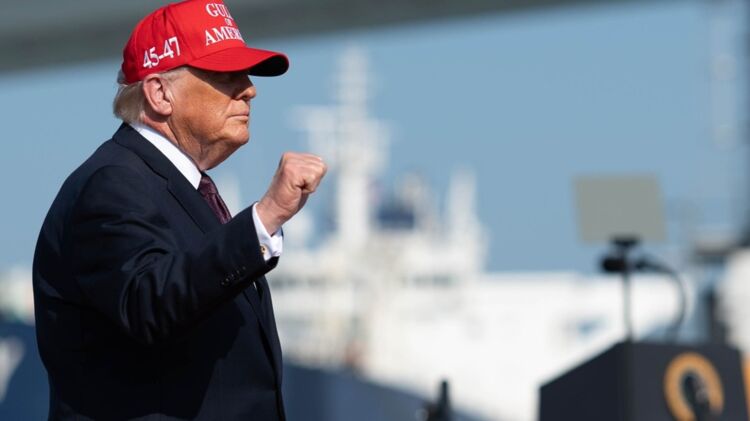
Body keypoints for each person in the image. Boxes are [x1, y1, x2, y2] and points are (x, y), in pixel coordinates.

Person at [31, 1, 327, 419]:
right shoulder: (113, 183)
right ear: (159, 93)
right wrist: (265, 216)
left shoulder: (173, 187)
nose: (249, 89)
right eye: (225, 74)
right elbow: (149, 303)